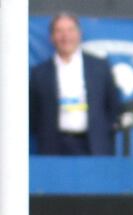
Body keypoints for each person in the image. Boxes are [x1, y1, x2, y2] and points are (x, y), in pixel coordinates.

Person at [29, 12, 122, 155]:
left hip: (93, 146)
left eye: (70, 30)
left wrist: (101, 131)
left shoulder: (99, 66)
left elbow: (113, 105)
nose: (65, 36)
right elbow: (33, 115)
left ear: (79, 33)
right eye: (59, 31)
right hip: (54, 148)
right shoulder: (39, 73)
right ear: (52, 37)